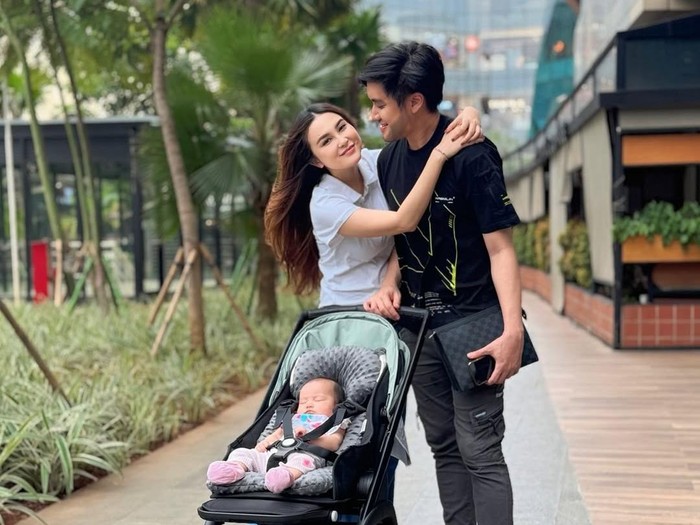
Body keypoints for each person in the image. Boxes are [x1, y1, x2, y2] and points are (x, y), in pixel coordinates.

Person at [264, 102, 482, 500]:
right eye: (326, 141)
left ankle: (378, 512)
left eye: (342, 126)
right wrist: (438, 155)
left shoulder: (379, 163)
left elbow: (407, 238)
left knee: (383, 435)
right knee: (346, 433)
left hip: (392, 316)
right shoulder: (324, 204)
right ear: (315, 160)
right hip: (347, 329)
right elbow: (404, 221)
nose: (342, 139)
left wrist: (466, 112)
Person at [358, 41, 527, 525]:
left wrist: (512, 330)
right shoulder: (389, 160)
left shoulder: (473, 155)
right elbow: (405, 239)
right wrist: (390, 281)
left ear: (413, 101)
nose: (373, 115)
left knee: (480, 449)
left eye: (379, 104)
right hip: (419, 328)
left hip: (474, 324)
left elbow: (501, 249)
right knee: (445, 447)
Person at [206, 377, 347, 493]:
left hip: (306, 454)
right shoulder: (292, 418)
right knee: (242, 452)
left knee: (302, 461)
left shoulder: (336, 421)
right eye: (303, 401)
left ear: (337, 405)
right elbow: (275, 435)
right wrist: (263, 444)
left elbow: (335, 442)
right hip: (273, 453)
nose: (309, 404)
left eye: (318, 399)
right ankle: (233, 468)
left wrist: (312, 438)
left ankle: (285, 476)